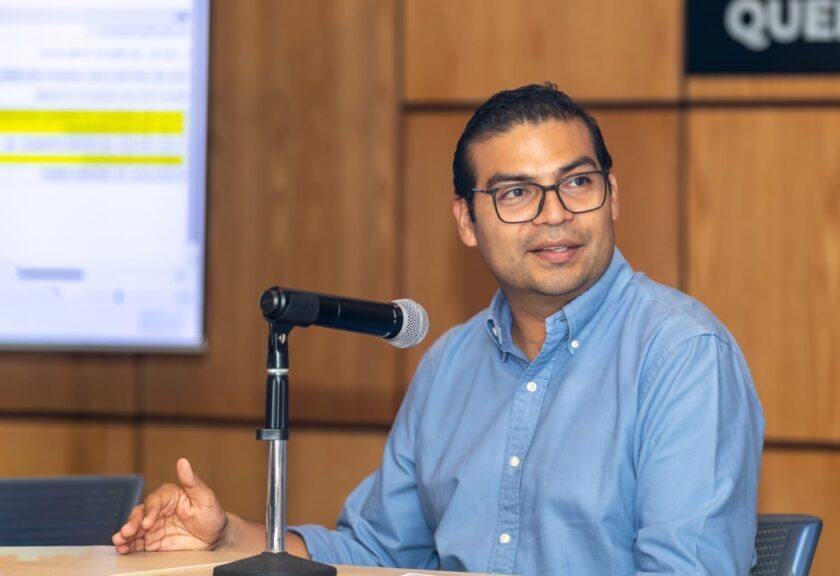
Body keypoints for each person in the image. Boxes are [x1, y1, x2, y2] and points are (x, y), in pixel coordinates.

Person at [113, 83, 765, 575]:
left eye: (577, 182)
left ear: (612, 196)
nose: (555, 215)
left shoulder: (683, 356)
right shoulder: (450, 364)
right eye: (515, 193)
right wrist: (228, 535)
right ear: (466, 221)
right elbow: (376, 551)